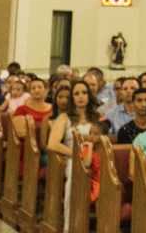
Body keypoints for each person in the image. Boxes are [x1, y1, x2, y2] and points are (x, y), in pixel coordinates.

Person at [48, 79, 100, 226]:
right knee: (74, 172)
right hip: (71, 158)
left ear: (89, 96)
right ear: (72, 98)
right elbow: (52, 143)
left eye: (84, 93)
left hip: (93, 157)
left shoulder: (97, 117)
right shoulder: (64, 118)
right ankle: (69, 224)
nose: (81, 96)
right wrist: (76, 155)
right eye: (76, 94)